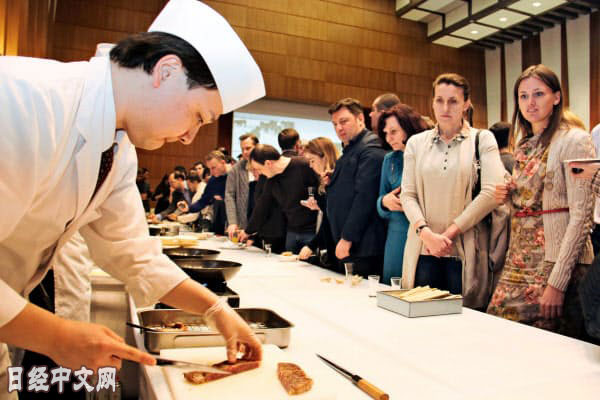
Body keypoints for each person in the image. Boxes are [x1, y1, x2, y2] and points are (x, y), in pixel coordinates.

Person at [0, 0, 266, 394]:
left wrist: (215, 310)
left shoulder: (119, 149)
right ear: (166, 71)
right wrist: (55, 336)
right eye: (198, 116)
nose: (189, 137)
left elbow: (133, 253)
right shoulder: (23, 98)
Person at [488, 64, 595, 339]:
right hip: (520, 259)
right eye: (523, 96)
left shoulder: (575, 140)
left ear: (556, 97)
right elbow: (530, 204)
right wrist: (508, 196)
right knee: (500, 333)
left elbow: (582, 216)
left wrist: (557, 283)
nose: (530, 103)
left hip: (556, 261)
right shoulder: (525, 145)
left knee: (546, 344)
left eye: (539, 94)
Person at [400, 73, 505, 308]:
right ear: (432, 102)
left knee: (464, 319)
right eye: (439, 100)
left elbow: (491, 192)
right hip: (423, 249)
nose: (445, 108)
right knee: (420, 319)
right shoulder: (416, 143)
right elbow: (408, 194)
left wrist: (448, 234)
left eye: (453, 101)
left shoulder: (483, 139)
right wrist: (426, 234)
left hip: (465, 250)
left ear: (466, 104)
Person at [327, 98, 387, 278]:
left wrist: (347, 238)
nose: (339, 128)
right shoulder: (351, 148)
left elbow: (365, 198)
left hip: (363, 245)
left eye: (344, 121)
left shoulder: (371, 148)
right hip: (350, 243)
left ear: (360, 118)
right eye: (335, 124)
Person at [377, 104, 430, 285]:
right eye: (386, 133)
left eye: (394, 132)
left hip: (424, 232)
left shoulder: (428, 154)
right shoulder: (390, 160)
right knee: (393, 288)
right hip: (397, 234)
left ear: (408, 127)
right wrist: (385, 202)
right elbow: (380, 200)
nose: (388, 138)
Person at [242, 144, 320, 253]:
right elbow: (263, 206)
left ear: (268, 163)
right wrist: (248, 231)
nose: (259, 173)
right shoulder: (271, 178)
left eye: (259, 169)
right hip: (291, 231)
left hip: (312, 232)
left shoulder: (303, 165)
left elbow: (322, 191)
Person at [298, 137, 340, 272]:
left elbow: (330, 219)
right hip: (330, 244)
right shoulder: (323, 181)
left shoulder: (338, 179)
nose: (310, 166)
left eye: (312, 160)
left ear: (324, 157)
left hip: (340, 245)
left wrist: (311, 245)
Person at [178, 150, 231, 232]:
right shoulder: (213, 180)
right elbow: (203, 201)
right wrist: (189, 208)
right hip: (220, 220)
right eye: (209, 169)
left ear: (223, 163)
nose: (211, 172)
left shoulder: (235, 174)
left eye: (213, 168)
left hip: (237, 220)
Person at [225, 133, 259, 239]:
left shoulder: (266, 165)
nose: (244, 152)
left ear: (257, 147)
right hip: (242, 223)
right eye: (242, 149)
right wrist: (232, 222)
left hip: (261, 224)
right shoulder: (235, 169)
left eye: (248, 148)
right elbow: (229, 196)